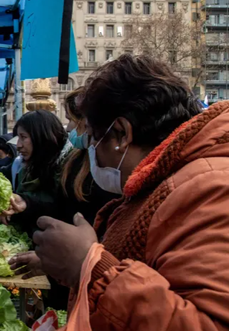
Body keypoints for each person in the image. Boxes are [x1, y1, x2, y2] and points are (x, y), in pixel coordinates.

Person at [31, 54, 229, 330]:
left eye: (92, 138)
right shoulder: (162, 183)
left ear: (122, 134)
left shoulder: (208, 188)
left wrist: (90, 266)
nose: (90, 150)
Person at [7, 88, 120, 310]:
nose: (68, 129)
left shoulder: (100, 173)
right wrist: (26, 204)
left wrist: (60, 261)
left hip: (88, 285)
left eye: (74, 121)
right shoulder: (77, 164)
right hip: (74, 283)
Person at [0, 110, 69, 236]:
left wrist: (27, 202)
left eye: (23, 137)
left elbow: (62, 210)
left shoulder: (69, 169)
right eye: (18, 138)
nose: (18, 145)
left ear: (42, 136)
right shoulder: (28, 168)